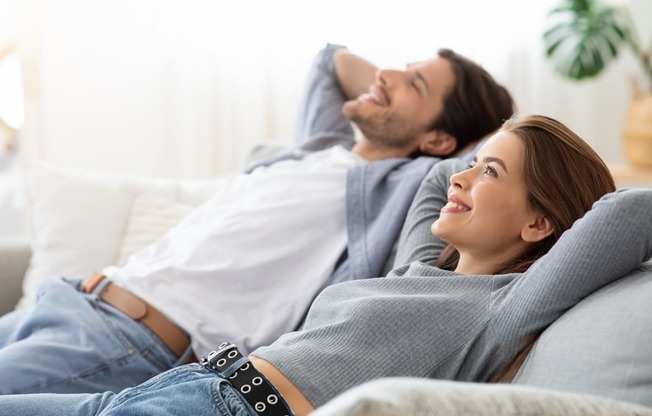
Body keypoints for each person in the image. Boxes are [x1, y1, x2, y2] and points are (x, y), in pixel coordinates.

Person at [2, 114, 650, 416]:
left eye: (492, 174)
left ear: (539, 225)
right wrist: (490, 156)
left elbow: (626, 216)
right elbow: (435, 184)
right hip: (181, 388)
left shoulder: (504, 307)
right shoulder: (419, 271)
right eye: (472, 164)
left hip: (227, 412)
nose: (464, 180)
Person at [0, 43, 515, 395]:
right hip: (71, 299)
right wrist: (396, 90)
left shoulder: (394, 188)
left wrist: (448, 129)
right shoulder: (319, 149)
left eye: (415, 84)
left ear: (440, 143)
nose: (387, 74)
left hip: (128, 341)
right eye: (399, 68)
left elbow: (504, 149)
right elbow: (328, 59)